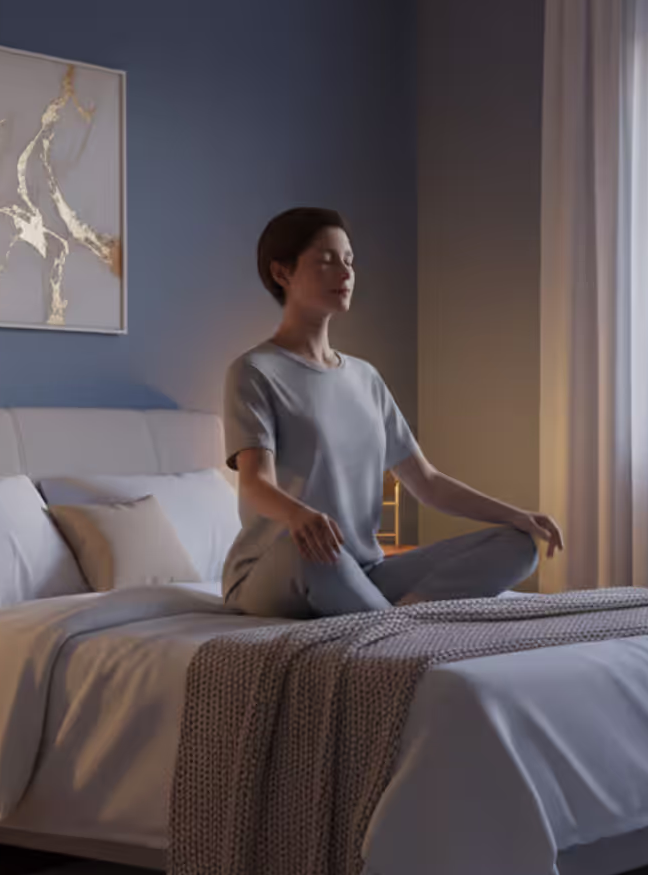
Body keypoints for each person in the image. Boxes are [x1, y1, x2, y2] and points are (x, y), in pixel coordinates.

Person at [221, 207, 563, 619]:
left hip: (365, 571)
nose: (345, 273)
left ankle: (398, 618)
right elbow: (255, 484)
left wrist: (519, 516)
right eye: (327, 261)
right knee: (306, 550)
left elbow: (427, 483)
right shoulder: (255, 371)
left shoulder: (365, 377)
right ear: (282, 273)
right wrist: (297, 514)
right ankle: (395, 628)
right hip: (277, 571)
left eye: (349, 261)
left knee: (518, 546)